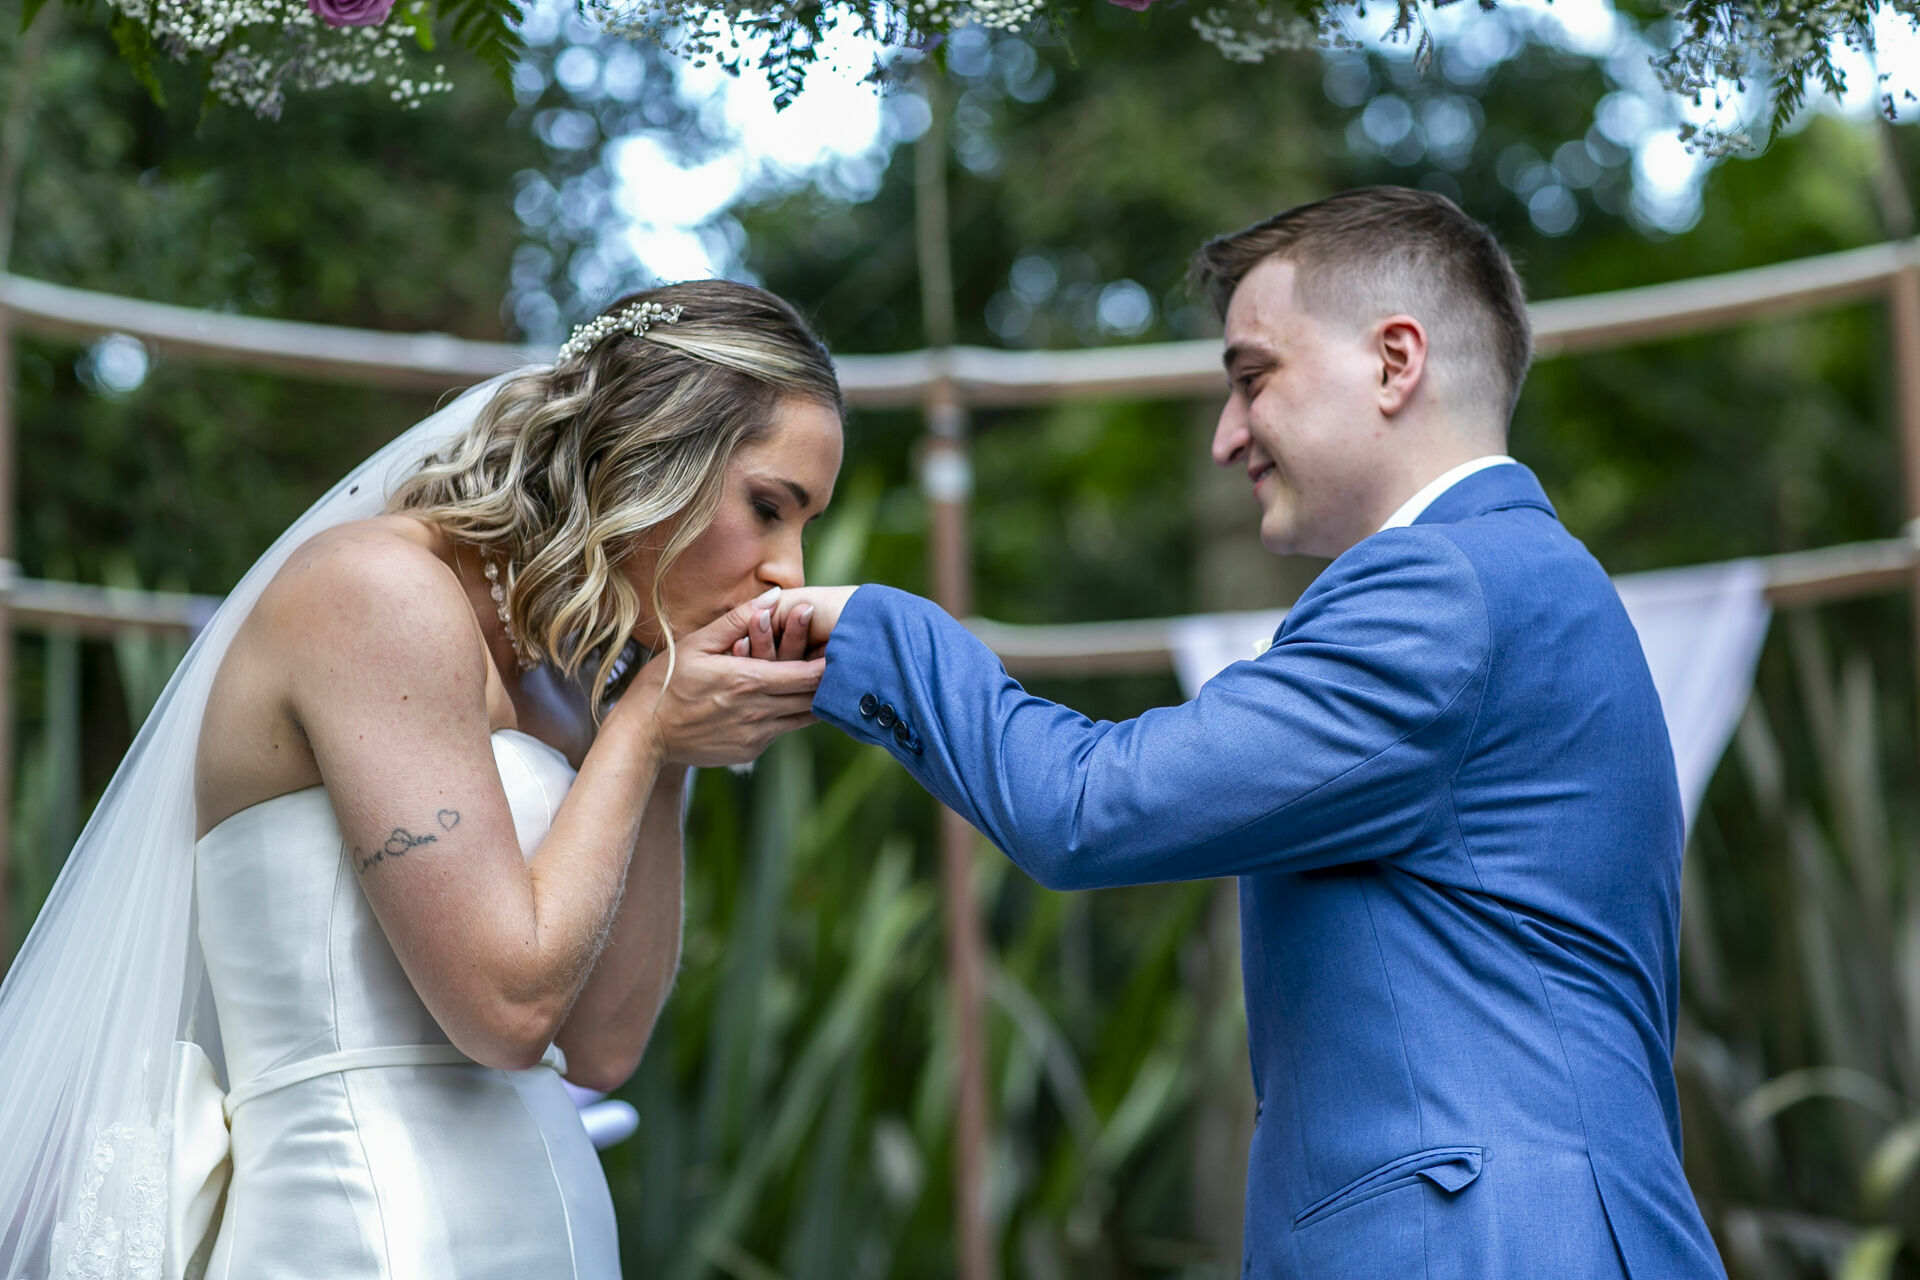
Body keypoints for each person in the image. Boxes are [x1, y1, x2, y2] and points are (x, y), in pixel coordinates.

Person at [776, 188, 1728, 1277]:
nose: (1229, 437)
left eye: (1250, 377)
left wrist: (869, 631)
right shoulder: (1534, 577)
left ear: (1394, 361)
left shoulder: (1438, 586)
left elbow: (1088, 806)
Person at [0, 279, 840, 1280]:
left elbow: (603, 1044)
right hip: (367, 1229)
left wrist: (656, 747)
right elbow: (505, 1010)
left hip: (552, 1226)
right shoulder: (374, 592)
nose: (790, 569)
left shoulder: (572, 688)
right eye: (768, 507)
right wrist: (647, 732)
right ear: (656, 449)